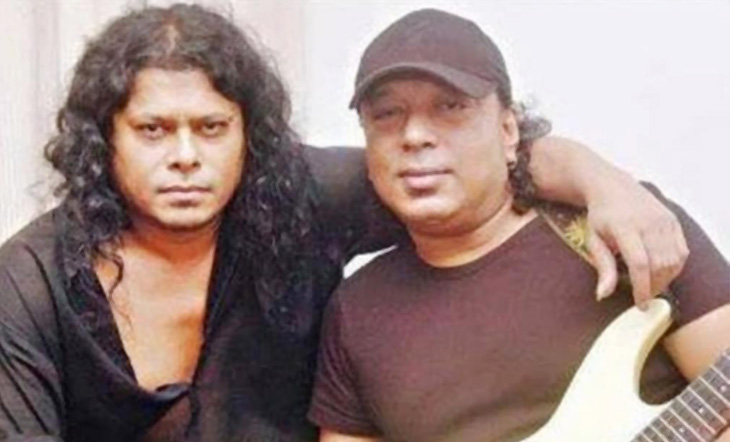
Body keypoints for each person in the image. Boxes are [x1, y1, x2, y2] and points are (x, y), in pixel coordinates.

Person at [0, 4, 690, 442]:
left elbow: (469, 167)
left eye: (211, 128)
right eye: (153, 129)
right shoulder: (32, 279)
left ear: (248, 136)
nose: (185, 156)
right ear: (106, 139)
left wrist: (603, 181)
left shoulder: (299, 197)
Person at [308, 9, 730, 442]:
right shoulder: (355, 313)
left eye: (450, 106)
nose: (414, 135)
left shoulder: (626, 226)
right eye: (386, 113)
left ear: (509, 130)